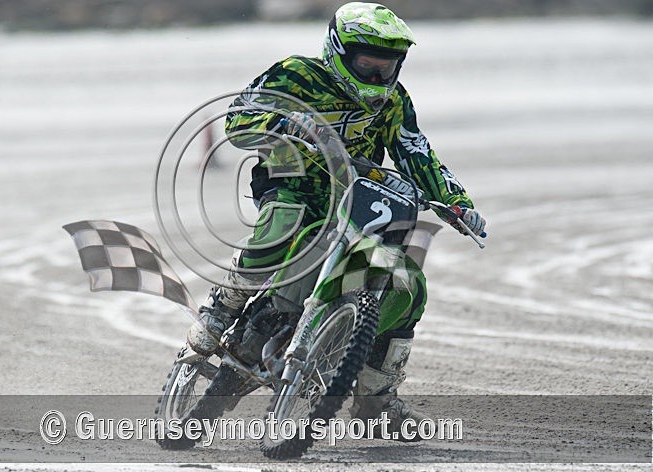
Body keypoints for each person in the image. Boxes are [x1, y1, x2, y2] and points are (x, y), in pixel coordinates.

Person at [186, 2, 486, 436]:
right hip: (293, 182)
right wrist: (285, 121)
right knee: (283, 223)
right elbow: (238, 118)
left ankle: (376, 402)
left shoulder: (395, 102)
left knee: (409, 285)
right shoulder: (296, 75)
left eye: (388, 68)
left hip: (360, 196)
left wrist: (457, 203)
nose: (379, 78)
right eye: (368, 65)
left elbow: (415, 150)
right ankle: (224, 305)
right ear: (339, 52)